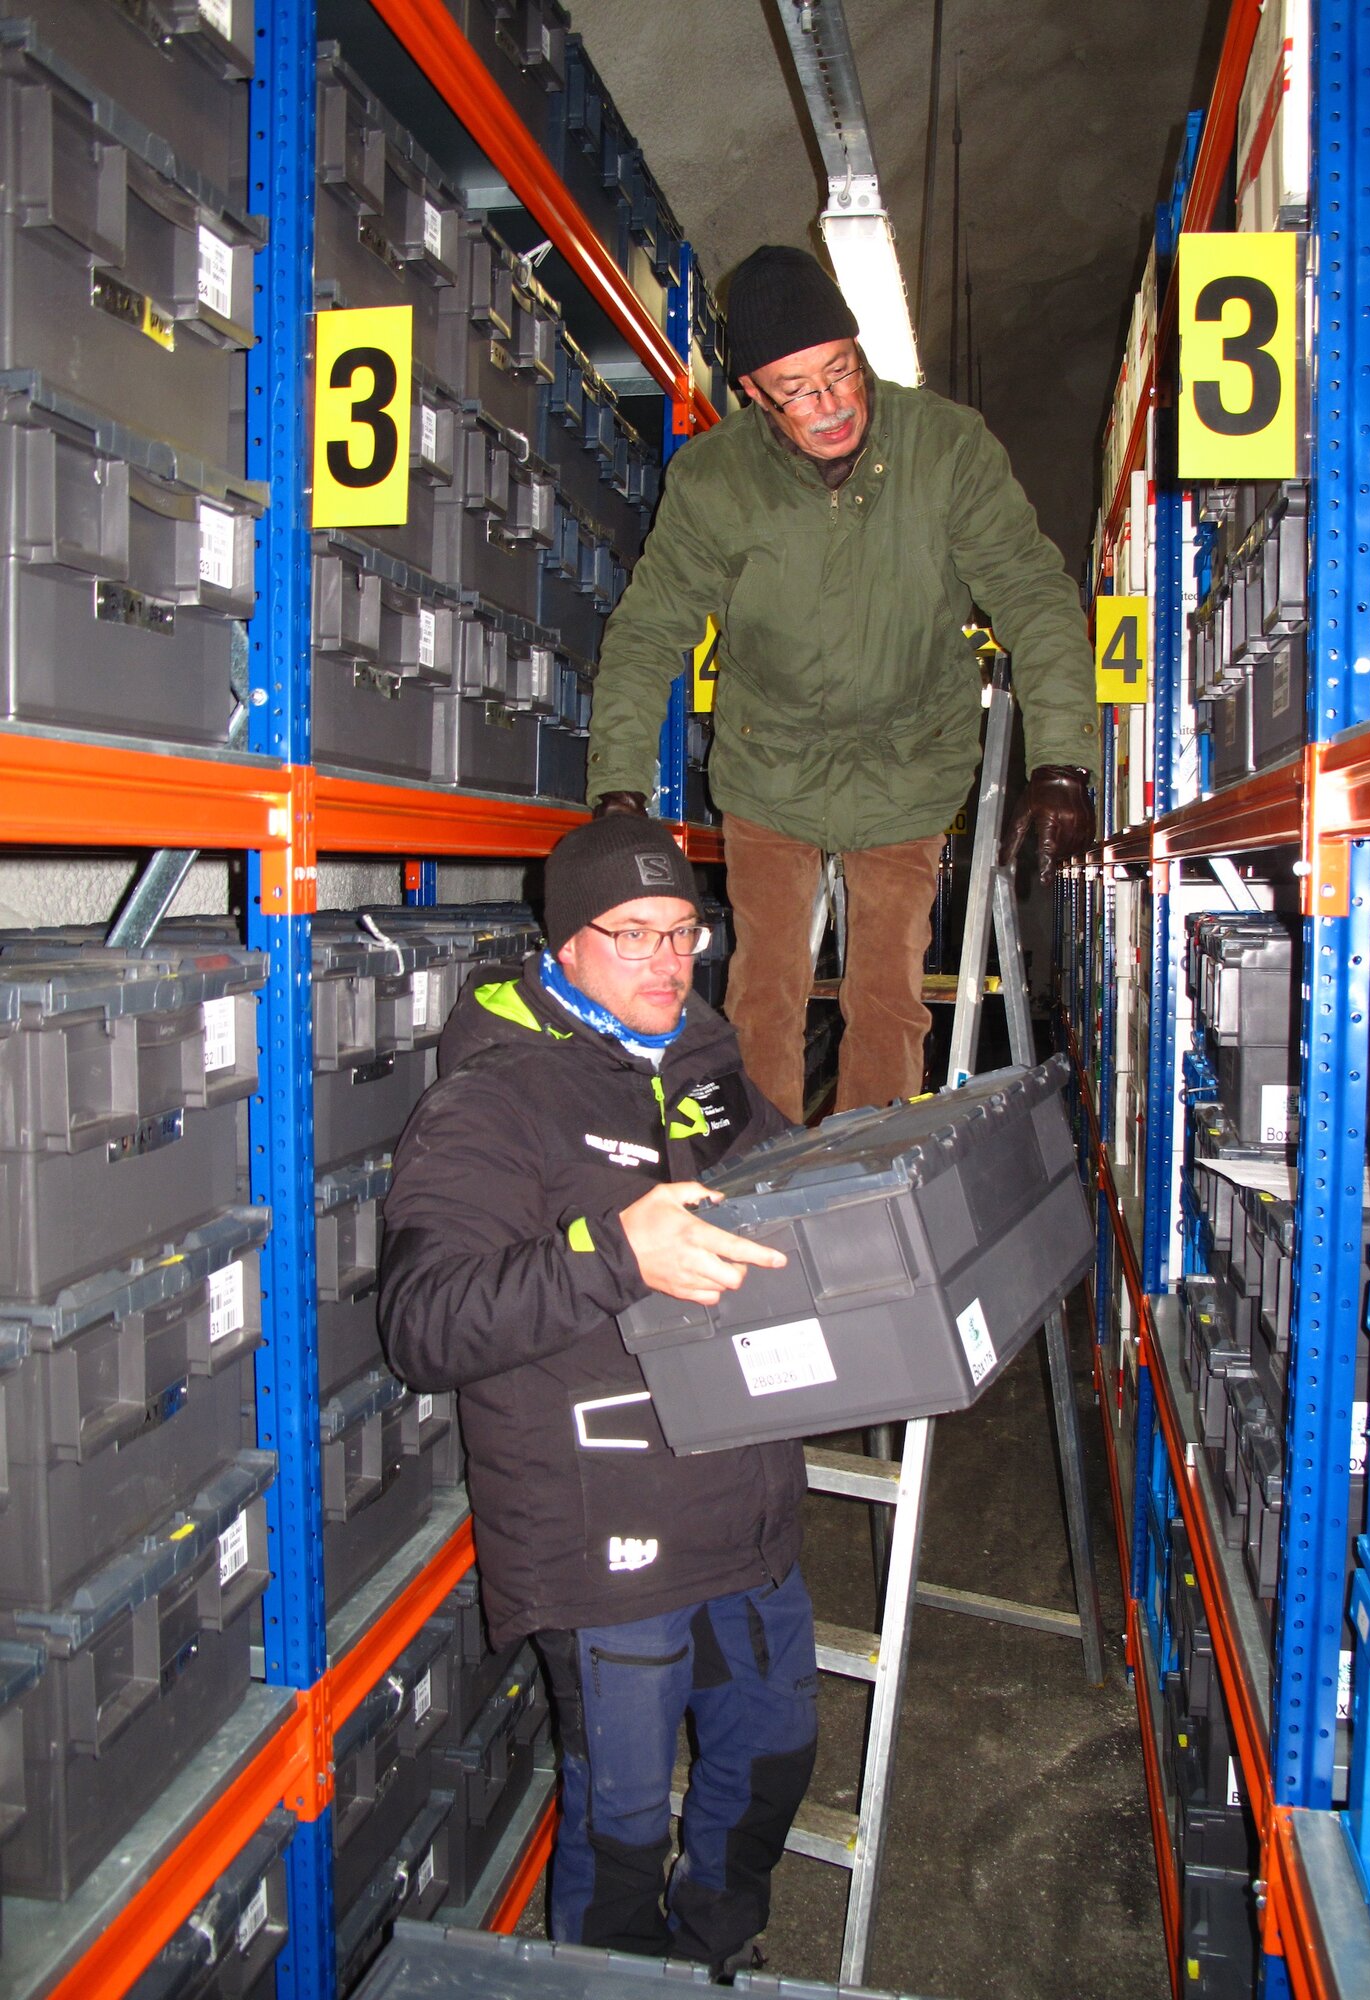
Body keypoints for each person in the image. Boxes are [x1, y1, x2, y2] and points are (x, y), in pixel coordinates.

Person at [378, 814, 817, 1973]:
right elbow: (425, 1322)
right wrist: (615, 1253)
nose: (669, 961)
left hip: (745, 1494)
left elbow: (787, 1188)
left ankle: (717, 1951)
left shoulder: (704, 1054)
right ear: (563, 944)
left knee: (772, 1754)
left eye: (686, 931)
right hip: (603, 1519)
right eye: (634, 936)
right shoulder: (492, 1096)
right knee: (621, 1819)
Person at [586, 243, 1100, 1122]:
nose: (829, 406)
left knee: (889, 1002)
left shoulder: (946, 448)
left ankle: (868, 1191)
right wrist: (619, 788)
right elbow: (648, 629)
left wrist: (1063, 762)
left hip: (909, 761)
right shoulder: (715, 479)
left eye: (840, 372)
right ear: (751, 392)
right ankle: (761, 1192)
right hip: (769, 763)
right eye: (797, 388)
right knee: (763, 997)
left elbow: (1032, 593)